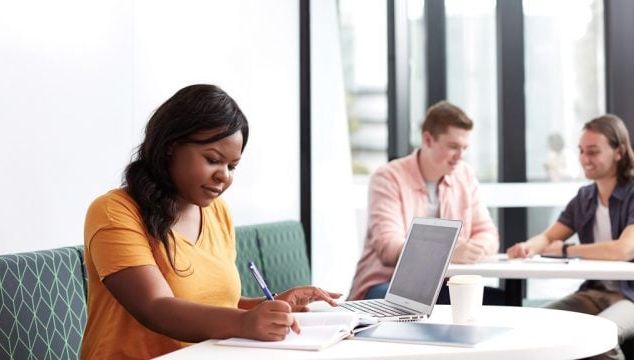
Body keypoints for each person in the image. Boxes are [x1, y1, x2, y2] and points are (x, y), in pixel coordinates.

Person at [81, 84, 340, 359]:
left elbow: (216, 304)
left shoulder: (217, 212)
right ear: (171, 146)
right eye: (213, 160)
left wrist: (271, 307)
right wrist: (245, 322)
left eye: (232, 166)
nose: (224, 176)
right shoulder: (114, 211)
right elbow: (155, 307)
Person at [348, 100, 501, 304]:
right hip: (387, 284)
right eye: (453, 147)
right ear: (428, 140)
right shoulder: (388, 177)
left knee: (501, 301)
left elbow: (488, 233)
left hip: (445, 285)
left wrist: (475, 248)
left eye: (464, 148)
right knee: (452, 303)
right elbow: (388, 247)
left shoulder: (465, 176)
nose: (460, 156)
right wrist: (448, 253)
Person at [507, 114, 634, 360]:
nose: (585, 159)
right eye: (582, 151)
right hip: (595, 292)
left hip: (630, 296)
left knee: (598, 339)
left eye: (593, 151)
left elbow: (625, 250)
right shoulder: (585, 198)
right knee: (532, 326)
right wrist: (526, 247)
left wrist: (567, 250)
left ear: (618, 152)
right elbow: (548, 237)